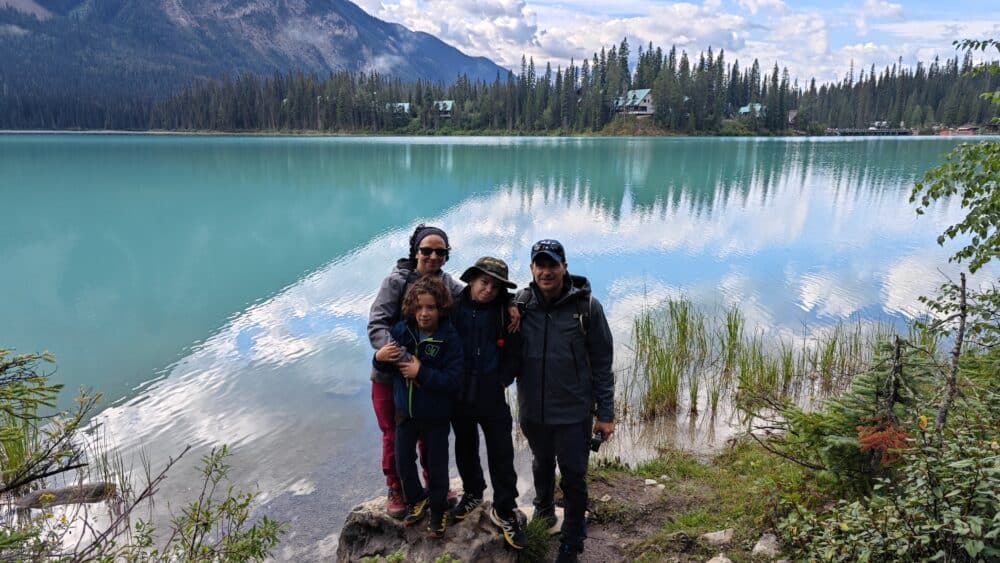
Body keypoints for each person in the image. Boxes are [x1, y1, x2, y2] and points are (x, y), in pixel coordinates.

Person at [514, 239, 615, 563]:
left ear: (564, 267)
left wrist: (606, 413)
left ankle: (572, 540)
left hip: (573, 412)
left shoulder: (587, 308)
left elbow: (602, 363)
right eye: (540, 264)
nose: (546, 271)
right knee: (541, 463)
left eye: (552, 264)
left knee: (574, 475)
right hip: (533, 410)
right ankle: (544, 511)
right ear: (531, 269)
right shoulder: (520, 304)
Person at [368, 224, 463, 518]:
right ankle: (396, 485)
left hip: (425, 379)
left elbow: (477, 296)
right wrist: (405, 360)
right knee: (393, 434)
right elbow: (376, 326)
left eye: (440, 251)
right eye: (426, 250)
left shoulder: (448, 284)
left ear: (446, 256)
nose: (433, 256)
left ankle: (433, 484)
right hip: (389, 377)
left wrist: (513, 305)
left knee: (429, 434)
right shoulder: (395, 282)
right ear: (415, 251)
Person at [449, 256, 527, 549]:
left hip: (491, 393)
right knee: (464, 445)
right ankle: (472, 492)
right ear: (471, 279)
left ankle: (505, 507)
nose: (489, 290)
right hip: (459, 393)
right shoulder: (452, 306)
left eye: (496, 287)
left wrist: (503, 379)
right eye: (484, 282)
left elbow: (515, 353)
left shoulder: (506, 313)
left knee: (501, 451)